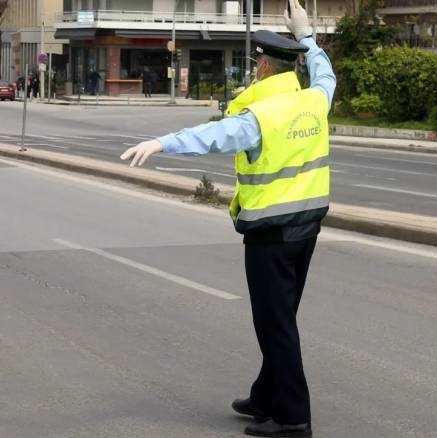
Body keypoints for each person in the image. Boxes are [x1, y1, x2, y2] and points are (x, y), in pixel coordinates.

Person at [120, 1, 334, 436]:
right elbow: (326, 74)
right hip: (307, 228)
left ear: (265, 70)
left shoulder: (261, 116)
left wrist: (162, 142)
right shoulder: (314, 100)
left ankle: (293, 417)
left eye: (257, 62)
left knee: (275, 324)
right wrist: (307, 37)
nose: (255, 67)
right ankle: (266, 396)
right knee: (281, 318)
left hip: (271, 234)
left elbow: (213, 136)